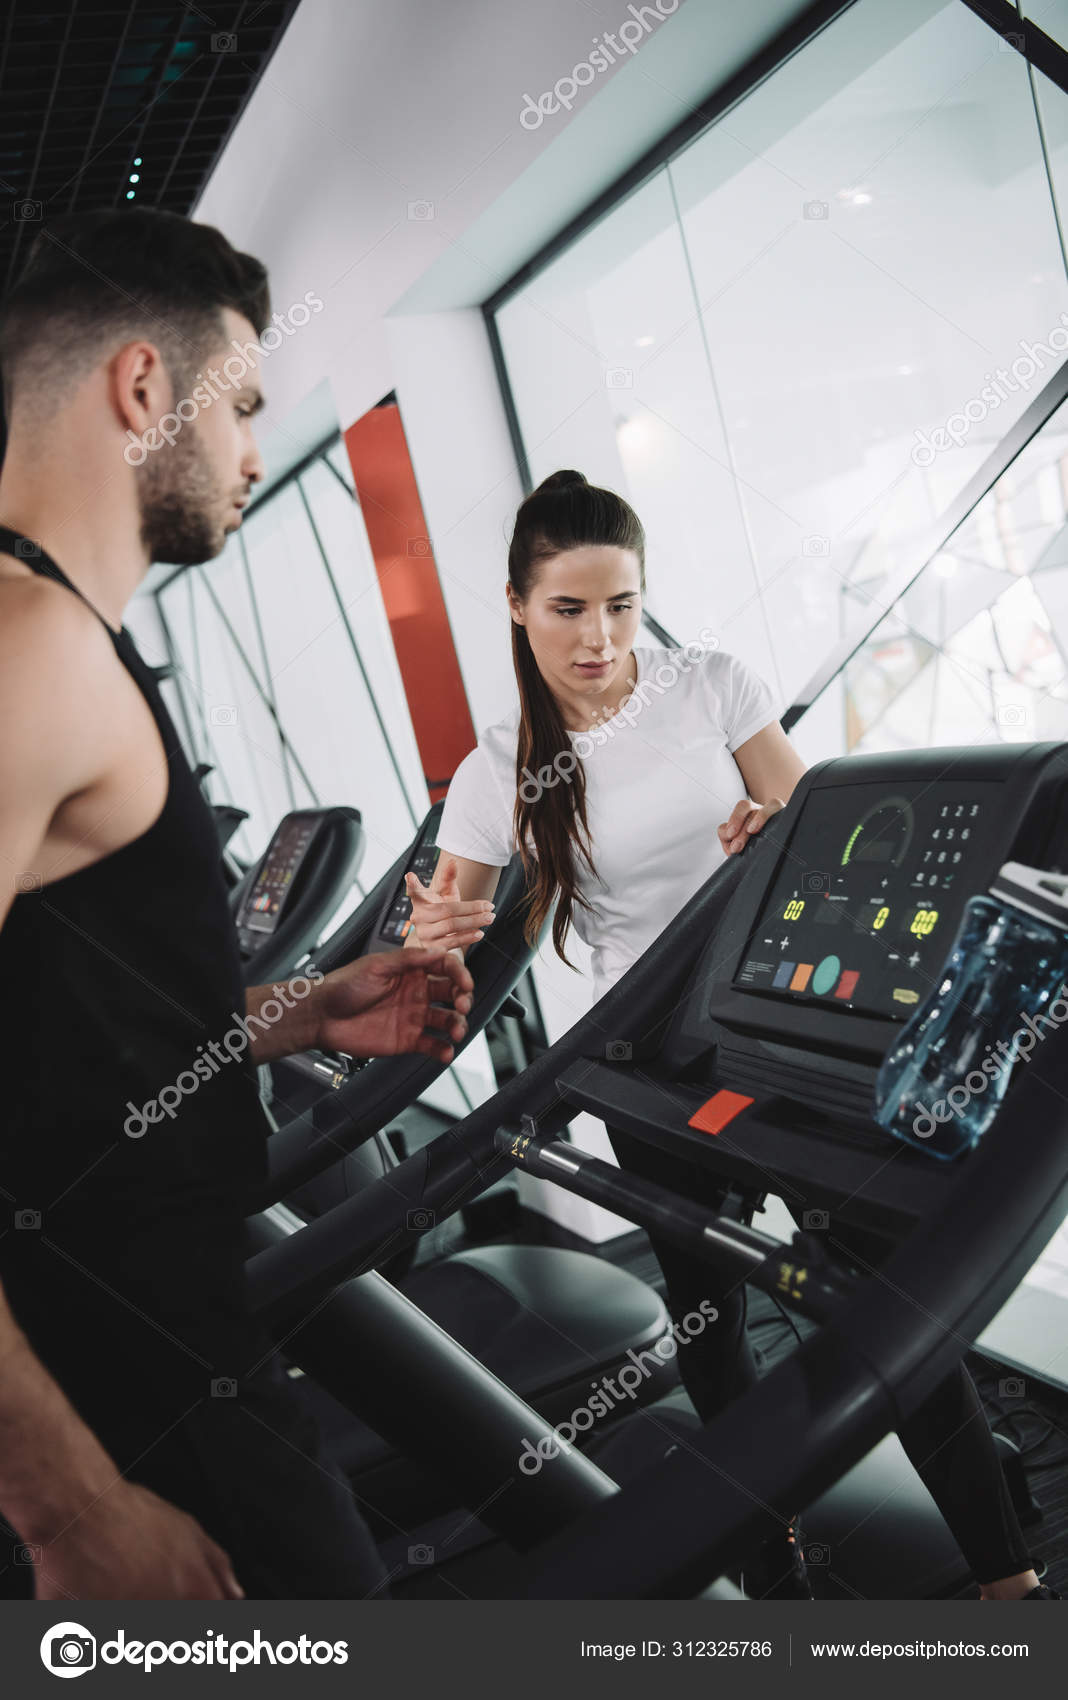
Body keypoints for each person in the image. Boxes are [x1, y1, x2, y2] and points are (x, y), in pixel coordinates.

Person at [403, 469, 1057, 1602]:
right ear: (516, 604)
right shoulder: (499, 765)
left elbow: (829, 842)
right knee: (709, 1316)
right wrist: (435, 933)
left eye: (620, 603)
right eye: (568, 608)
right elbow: (445, 929)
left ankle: (1005, 1573)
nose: (600, 636)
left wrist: (773, 824)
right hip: (646, 1057)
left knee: (886, 1295)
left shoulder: (711, 683)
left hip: (770, 1022)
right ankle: (773, 1542)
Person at [0, 207, 475, 1602]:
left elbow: (62, 1047)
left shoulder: (59, 642)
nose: (258, 451)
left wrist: (282, 1018)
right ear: (147, 387)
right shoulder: (31, 650)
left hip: (159, 1360)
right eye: (245, 405)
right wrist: (73, 1511)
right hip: (121, 1413)